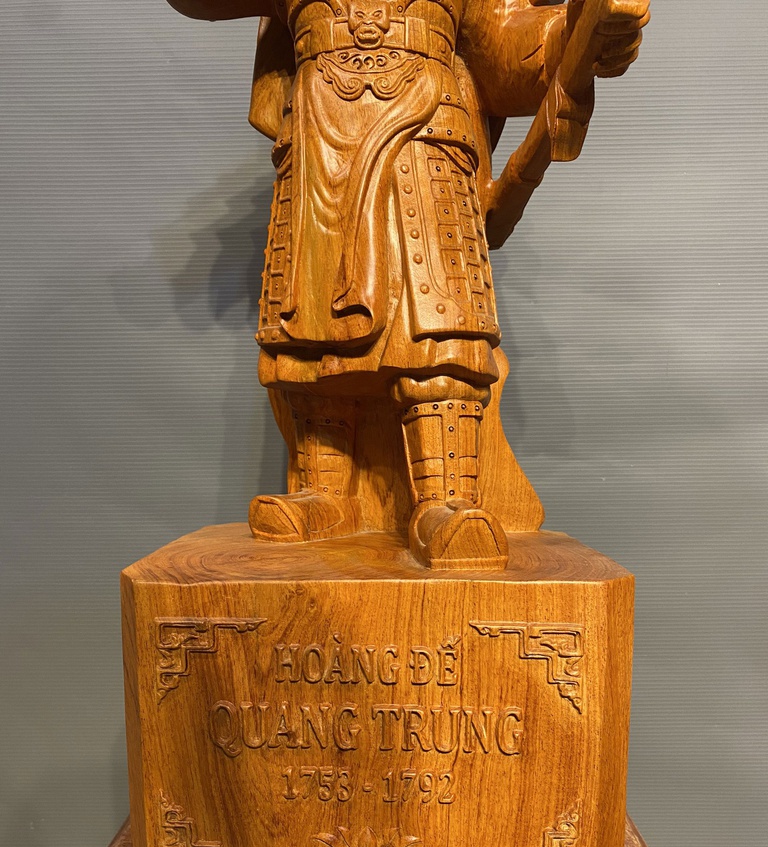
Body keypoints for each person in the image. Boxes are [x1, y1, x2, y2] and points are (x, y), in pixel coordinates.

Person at [168, 0, 649, 568]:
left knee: (438, 322)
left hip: (425, 131)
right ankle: (324, 491)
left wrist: (573, 34)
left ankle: (446, 499)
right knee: (311, 324)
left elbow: (501, 49)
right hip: (318, 128)